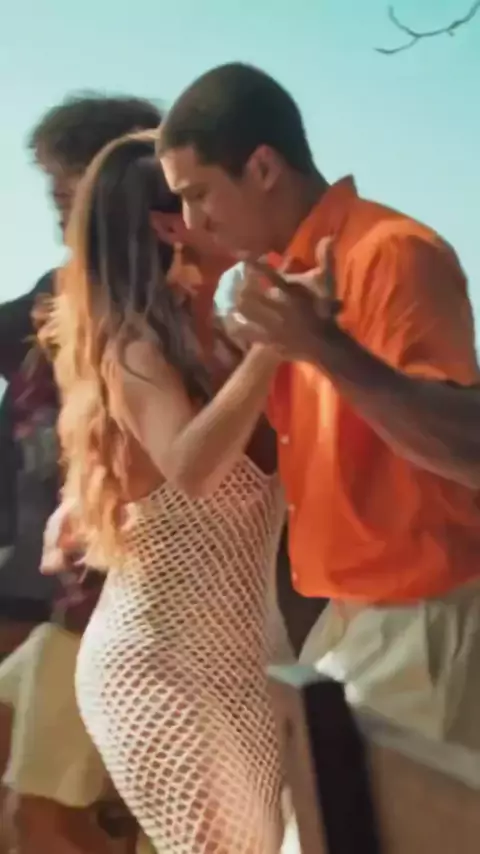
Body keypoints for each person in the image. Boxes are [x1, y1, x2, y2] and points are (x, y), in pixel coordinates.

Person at [157, 62, 480, 752]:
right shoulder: (278, 281)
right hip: (351, 624)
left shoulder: (392, 253)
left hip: (418, 624)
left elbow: (468, 449)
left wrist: (326, 349)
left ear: (263, 167)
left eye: (198, 193)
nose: (193, 220)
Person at [43, 132, 287, 854]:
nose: (233, 207)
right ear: (169, 224)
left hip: (252, 673)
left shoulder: (230, 346)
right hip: (155, 673)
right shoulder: (136, 353)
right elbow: (191, 466)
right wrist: (278, 344)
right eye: (203, 194)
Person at [0, 93, 164, 854]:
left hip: (105, 598)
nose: (56, 205)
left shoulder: (147, 308)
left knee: (51, 817)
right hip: (48, 584)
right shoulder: (56, 295)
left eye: (67, 187)